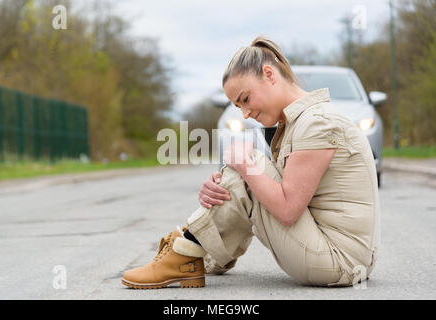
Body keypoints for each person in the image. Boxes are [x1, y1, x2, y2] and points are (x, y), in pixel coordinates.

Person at [121, 36, 380, 289]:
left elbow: (288, 210)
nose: (245, 113)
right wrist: (228, 182)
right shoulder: (300, 122)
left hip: (339, 260)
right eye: (237, 106)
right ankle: (196, 254)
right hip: (336, 254)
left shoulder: (318, 122)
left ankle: (186, 252)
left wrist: (243, 166)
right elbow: (273, 188)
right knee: (247, 168)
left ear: (269, 74)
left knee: (248, 162)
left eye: (245, 99)